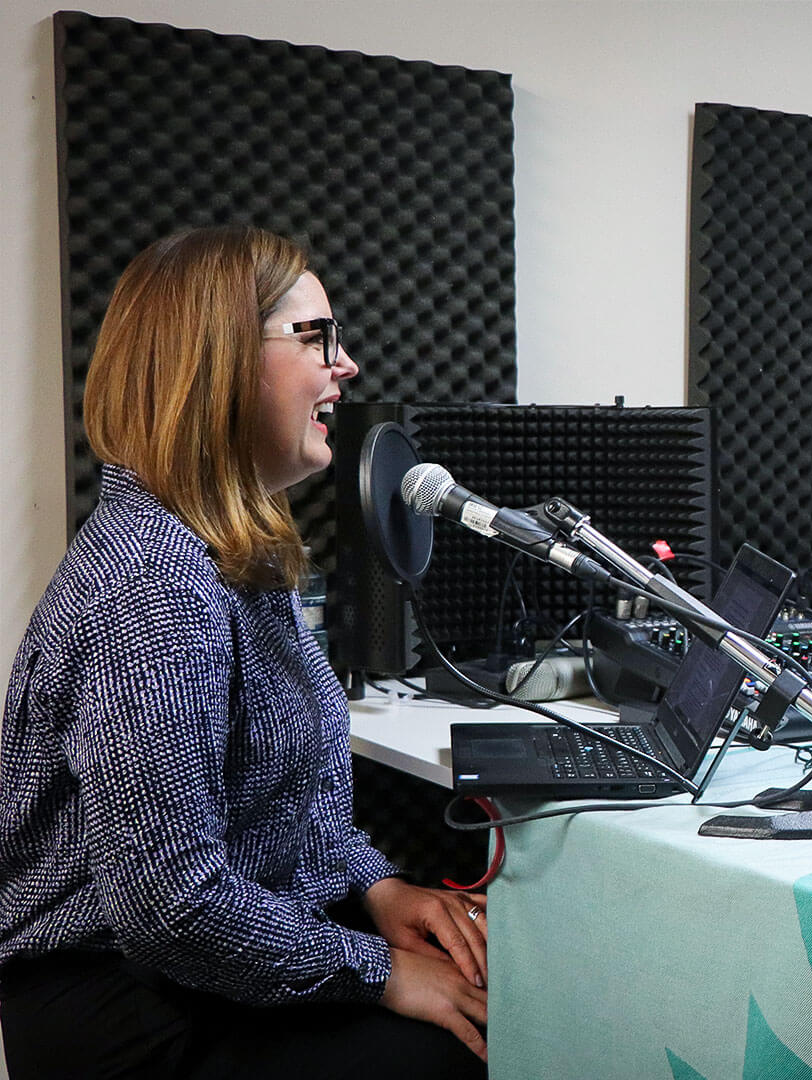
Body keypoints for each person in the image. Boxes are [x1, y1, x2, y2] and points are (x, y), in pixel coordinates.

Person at [0, 226, 488, 1078]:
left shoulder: (227, 551)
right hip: (130, 1007)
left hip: (197, 967)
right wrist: (381, 974)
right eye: (318, 338)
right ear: (216, 360)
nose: (348, 367)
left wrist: (379, 890)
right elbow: (171, 905)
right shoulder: (153, 583)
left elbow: (287, 805)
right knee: (468, 1053)